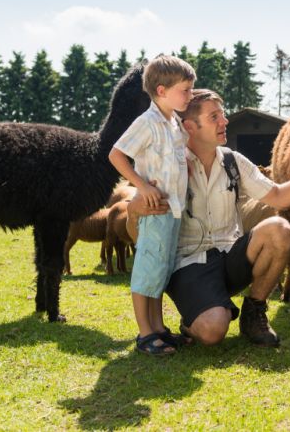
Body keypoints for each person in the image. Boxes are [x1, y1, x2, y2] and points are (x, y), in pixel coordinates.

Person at [127, 89, 290, 348]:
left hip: (231, 254)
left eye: (222, 115)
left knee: (280, 228)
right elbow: (139, 232)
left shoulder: (233, 162)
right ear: (189, 127)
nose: (224, 122)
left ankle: (253, 311)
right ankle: (192, 321)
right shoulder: (169, 167)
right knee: (212, 332)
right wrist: (134, 211)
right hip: (188, 264)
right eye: (214, 117)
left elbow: (279, 196)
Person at [108, 55, 195, 356]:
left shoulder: (173, 123)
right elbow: (117, 154)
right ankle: (145, 333)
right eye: (185, 90)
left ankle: (158, 328)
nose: (190, 95)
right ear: (161, 90)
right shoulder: (147, 122)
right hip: (155, 209)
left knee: (160, 270)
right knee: (147, 269)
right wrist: (141, 186)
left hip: (172, 209)